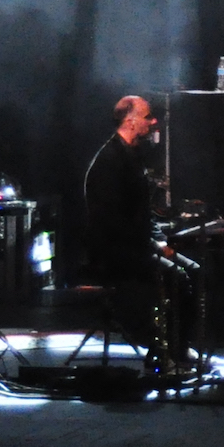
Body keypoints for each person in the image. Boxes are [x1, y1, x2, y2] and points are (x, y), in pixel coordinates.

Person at [83, 96, 171, 346]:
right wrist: (153, 244)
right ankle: (162, 347)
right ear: (130, 122)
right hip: (117, 254)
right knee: (179, 277)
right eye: (147, 117)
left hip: (135, 246)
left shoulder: (131, 156)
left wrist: (160, 238)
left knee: (191, 270)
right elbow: (112, 220)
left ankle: (176, 347)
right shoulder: (110, 161)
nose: (152, 122)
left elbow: (141, 210)